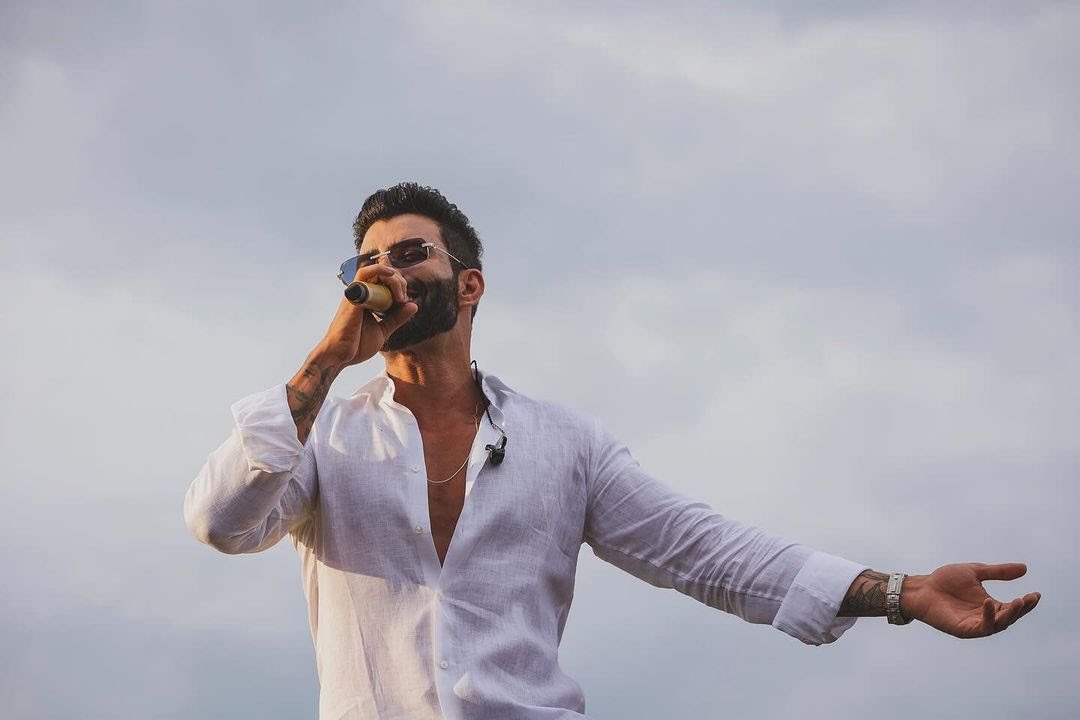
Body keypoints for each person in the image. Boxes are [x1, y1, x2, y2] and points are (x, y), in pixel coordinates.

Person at [185, 182, 1040, 720]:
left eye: (412, 254)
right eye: (367, 261)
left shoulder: (563, 443)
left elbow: (708, 553)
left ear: (469, 284)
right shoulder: (320, 434)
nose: (387, 272)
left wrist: (904, 591)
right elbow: (221, 522)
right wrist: (326, 361)